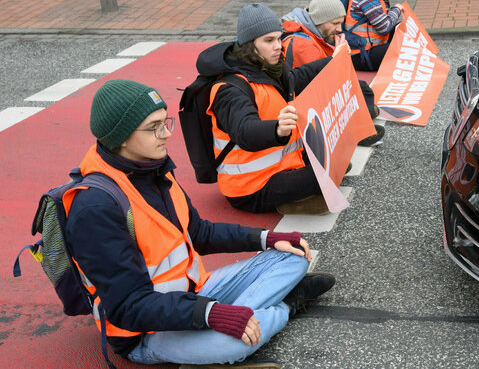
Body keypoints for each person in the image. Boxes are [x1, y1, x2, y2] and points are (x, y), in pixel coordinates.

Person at [65, 79, 336, 367]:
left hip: (197, 292)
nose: (167, 134)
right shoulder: (95, 207)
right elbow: (129, 307)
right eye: (154, 127)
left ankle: (242, 318)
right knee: (230, 345)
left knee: (292, 258)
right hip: (147, 330)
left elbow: (199, 232)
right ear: (121, 137)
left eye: (165, 121)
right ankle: (284, 306)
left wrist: (266, 238)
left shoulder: (154, 170)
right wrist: (211, 314)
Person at [198, 3, 382, 215]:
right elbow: (244, 130)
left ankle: (300, 195)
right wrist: (277, 129)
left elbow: (298, 76)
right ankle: (295, 199)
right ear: (249, 45)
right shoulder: (229, 89)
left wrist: (333, 59)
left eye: (278, 38)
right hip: (249, 187)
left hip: (281, 167)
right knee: (329, 171)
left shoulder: (267, 68)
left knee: (337, 159)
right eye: (269, 40)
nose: (278, 45)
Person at [280, 0, 384, 124]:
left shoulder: (310, 34)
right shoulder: (303, 44)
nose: (339, 29)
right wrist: (341, 57)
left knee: (361, 88)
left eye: (341, 23)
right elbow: (322, 85)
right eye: (335, 23)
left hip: (310, 94)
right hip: (304, 104)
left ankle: (363, 117)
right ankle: (359, 125)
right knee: (357, 91)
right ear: (319, 20)